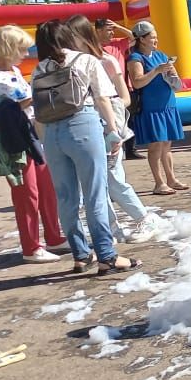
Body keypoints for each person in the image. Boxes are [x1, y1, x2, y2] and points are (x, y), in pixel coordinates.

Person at [32, 20, 141, 275]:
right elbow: (103, 98)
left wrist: (43, 143)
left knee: (66, 197)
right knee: (95, 193)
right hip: (83, 126)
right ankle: (107, 255)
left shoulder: (39, 68)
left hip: (51, 133)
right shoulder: (85, 60)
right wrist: (113, 132)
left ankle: (81, 254)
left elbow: (37, 111)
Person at [0, 25, 68, 263]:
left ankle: (53, 236)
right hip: (13, 138)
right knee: (26, 193)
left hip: (32, 133)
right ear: (8, 48)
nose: (25, 54)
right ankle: (31, 247)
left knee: (46, 187)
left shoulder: (14, 71)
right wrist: (30, 100)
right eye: (21, 49)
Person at [67, 15, 157, 244]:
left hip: (108, 124)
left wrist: (113, 120)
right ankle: (111, 228)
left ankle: (143, 217)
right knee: (95, 183)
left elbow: (123, 95)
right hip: (86, 124)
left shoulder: (106, 59)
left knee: (113, 178)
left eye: (72, 35)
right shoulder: (74, 62)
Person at [127, 21, 187, 195]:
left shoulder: (160, 55)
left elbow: (173, 78)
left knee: (167, 144)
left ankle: (171, 178)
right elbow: (137, 82)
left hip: (167, 104)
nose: (156, 40)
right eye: (152, 37)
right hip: (151, 108)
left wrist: (172, 74)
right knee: (156, 146)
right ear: (142, 39)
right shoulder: (135, 58)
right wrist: (156, 71)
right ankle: (158, 183)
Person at [94, 19, 143, 162]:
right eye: (108, 30)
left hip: (122, 88)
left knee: (128, 118)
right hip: (104, 90)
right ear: (99, 30)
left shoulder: (118, 43)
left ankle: (130, 149)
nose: (112, 33)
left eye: (112, 30)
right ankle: (111, 149)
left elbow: (135, 37)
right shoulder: (92, 46)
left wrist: (118, 26)